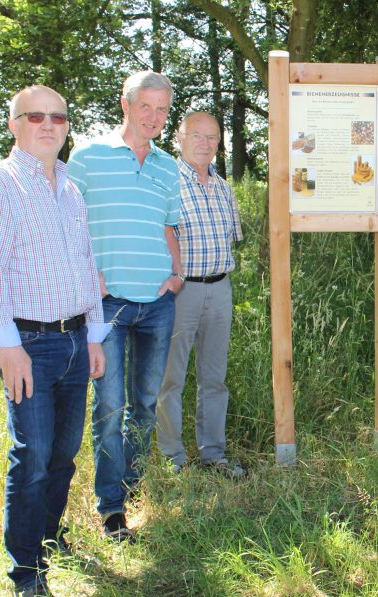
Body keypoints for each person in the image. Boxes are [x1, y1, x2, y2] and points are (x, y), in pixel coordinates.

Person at [0, 85, 108, 597]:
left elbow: (86, 266)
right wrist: (9, 348)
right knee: (32, 459)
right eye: (36, 116)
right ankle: (27, 572)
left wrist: (94, 334)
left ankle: (48, 535)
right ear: (14, 125)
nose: (49, 124)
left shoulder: (69, 188)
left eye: (59, 116)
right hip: (28, 343)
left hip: (74, 340)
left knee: (64, 454)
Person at [68, 71, 182, 541]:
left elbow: (169, 226)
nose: (154, 117)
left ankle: (132, 488)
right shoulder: (88, 157)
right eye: (146, 107)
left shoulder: (166, 166)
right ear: (126, 105)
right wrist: (84, 273)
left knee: (145, 405)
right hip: (106, 305)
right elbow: (66, 219)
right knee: (109, 405)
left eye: (162, 110)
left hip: (157, 302)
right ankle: (111, 508)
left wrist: (176, 275)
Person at [156, 112, 244, 477]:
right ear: (179, 138)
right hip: (181, 291)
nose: (206, 143)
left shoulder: (223, 187)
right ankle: (173, 459)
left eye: (213, 137)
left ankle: (214, 455)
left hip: (220, 288)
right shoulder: (165, 183)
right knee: (170, 379)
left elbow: (231, 240)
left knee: (214, 377)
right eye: (197, 136)